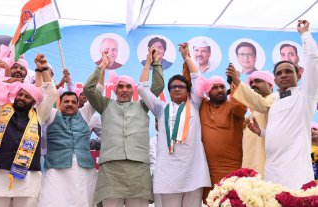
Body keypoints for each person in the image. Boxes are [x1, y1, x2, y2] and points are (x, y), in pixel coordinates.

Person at [232, 20, 317, 189]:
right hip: (272, 170)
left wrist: (305, 34)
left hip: (296, 171)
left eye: (288, 71)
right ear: (275, 80)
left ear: (299, 76)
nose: (283, 75)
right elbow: (283, 130)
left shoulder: (305, 95)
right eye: (279, 73)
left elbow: (313, 61)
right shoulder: (275, 100)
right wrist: (262, 132)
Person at [84, 49, 164, 207]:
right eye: (121, 87)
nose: (125, 90)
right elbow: (88, 89)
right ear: (115, 90)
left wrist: (154, 63)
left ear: (134, 90)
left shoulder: (143, 105)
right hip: (111, 168)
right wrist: (103, 65)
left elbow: (158, 86)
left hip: (138, 168)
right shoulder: (106, 105)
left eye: (128, 87)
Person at [0, 54, 56, 207]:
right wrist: (8, 80)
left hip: (27, 177)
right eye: (20, 94)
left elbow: (51, 93)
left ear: (33, 101)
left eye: (27, 96)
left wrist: (43, 68)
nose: (21, 98)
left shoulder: (39, 115)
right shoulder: (1, 111)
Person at [138, 43, 210, 207]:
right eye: (173, 87)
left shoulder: (194, 104)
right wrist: (148, 63)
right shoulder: (161, 108)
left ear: (187, 90)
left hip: (193, 169)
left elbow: (198, 81)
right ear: (169, 91)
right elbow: (142, 89)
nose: (177, 88)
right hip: (168, 172)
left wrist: (187, 57)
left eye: (181, 86)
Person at [37, 89, 104, 207]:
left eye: (73, 102)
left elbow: (97, 91)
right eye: (66, 101)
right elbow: (47, 95)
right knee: (51, 201)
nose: (70, 104)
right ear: (59, 104)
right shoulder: (51, 114)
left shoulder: (85, 114)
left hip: (84, 170)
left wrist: (102, 69)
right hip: (56, 169)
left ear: (78, 105)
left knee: (85, 202)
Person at [197, 71, 247, 201]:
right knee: (212, 202)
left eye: (222, 87)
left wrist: (234, 83)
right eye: (214, 87)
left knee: (232, 202)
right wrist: (186, 57)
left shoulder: (233, 106)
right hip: (208, 170)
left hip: (234, 168)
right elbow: (191, 82)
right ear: (207, 92)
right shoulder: (202, 105)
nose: (219, 90)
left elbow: (240, 106)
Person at [231, 70, 276, 177]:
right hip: (251, 162)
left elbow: (263, 105)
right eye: (251, 83)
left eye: (258, 81)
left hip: (265, 164)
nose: (253, 85)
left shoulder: (274, 98)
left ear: (270, 85)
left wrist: (237, 81)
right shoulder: (255, 111)